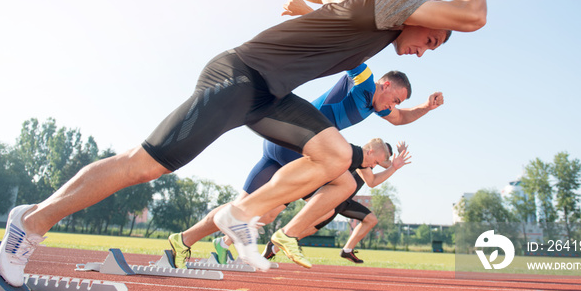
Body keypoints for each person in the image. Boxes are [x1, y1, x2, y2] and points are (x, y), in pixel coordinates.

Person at [0, 0, 486, 284]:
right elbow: (473, 15)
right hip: (238, 76)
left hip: (270, 96)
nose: (427, 47)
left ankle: (240, 216)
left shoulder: (373, 25)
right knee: (143, 166)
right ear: (420, 14)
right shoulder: (396, 1)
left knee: (337, 157)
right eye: (433, 38)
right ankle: (31, 222)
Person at [170, 63, 442, 268]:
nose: (394, 106)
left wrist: (426, 108)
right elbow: (348, 52)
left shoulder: (377, 107)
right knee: (345, 182)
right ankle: (288, 235)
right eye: (395, 98)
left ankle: (184, 240)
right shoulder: (364, 80)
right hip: (297, 145)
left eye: (398, 103)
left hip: (283, 146)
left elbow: (400, 118)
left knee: (248, 209)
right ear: (385, 85)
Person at [264, 142, 411, 265]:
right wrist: (393, 165)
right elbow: (379, 172)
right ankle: (276, 243)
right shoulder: (356, 157)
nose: (376, 164)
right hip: (332, 195)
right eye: (380, 160)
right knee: (312, 225)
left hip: (345, 200)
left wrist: (395, 164)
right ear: (371, 151)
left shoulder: (366, 165)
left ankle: (347, 250)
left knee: (370, 219)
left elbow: (374, 179)